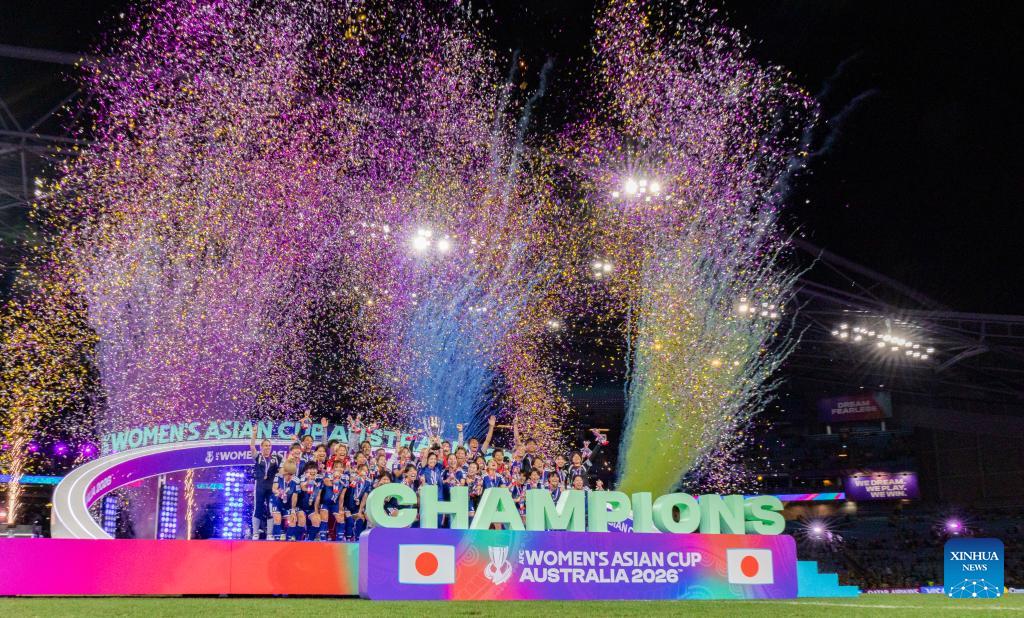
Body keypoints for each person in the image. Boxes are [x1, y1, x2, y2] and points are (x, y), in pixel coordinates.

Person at [249, 424, 282, 540]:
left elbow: (283, 469)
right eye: (265, 445)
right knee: (258, 508)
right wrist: (254, 433)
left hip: (271, 488)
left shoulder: (276, 458)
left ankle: (270, 534)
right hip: (260, 486)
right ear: (261, 447)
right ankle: (255, 533)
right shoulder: (258, 457)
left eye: (269, 446)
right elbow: (252, 446)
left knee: (270, 509)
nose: (267, 447)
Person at [271, 462, 299, 541]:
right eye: (288, 474)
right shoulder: (278, 476)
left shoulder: (296, 480)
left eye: (291, 474)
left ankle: (289, 538)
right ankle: (277, 538)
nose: (290, 476)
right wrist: (278, 492)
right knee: (277, 518)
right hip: (277, 501)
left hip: (288, 504)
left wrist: (293, 510)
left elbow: (295, 496)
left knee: (292, 520)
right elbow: (274, 489)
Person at [296, 462, 322, 541]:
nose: (312, 471)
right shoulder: (302, 477)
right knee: (302, 520)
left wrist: (316, 511)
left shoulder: (319, 479)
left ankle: (310, 540)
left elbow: (318, 496)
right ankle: (298, 540)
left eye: (314, 469)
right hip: (300, 506)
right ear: (306, 471)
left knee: (317, 520)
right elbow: (303, 488)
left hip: (311, 508)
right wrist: (308, 481)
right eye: (310, 469)